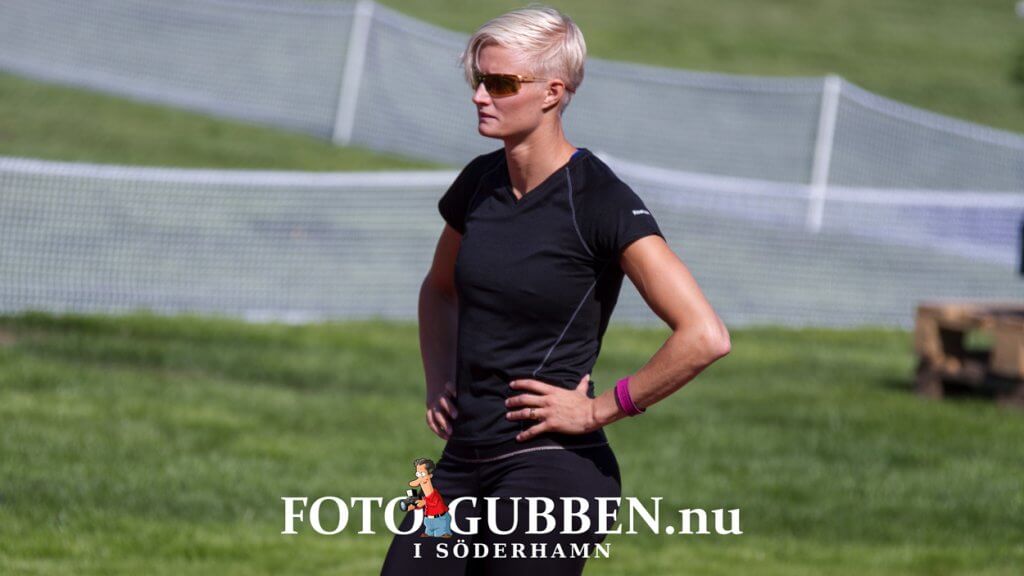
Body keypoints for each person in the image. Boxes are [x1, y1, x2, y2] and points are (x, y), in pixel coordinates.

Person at [380, 6, 730, 575]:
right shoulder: (478, 182)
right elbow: (439, 289)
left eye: (501, 83)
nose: (480, 96)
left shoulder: (600, 200)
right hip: (461, 461)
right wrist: (438, 376)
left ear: (553, 92)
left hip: (552, 470)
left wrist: (598, 410)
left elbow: (705, 335)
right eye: (478, 80)